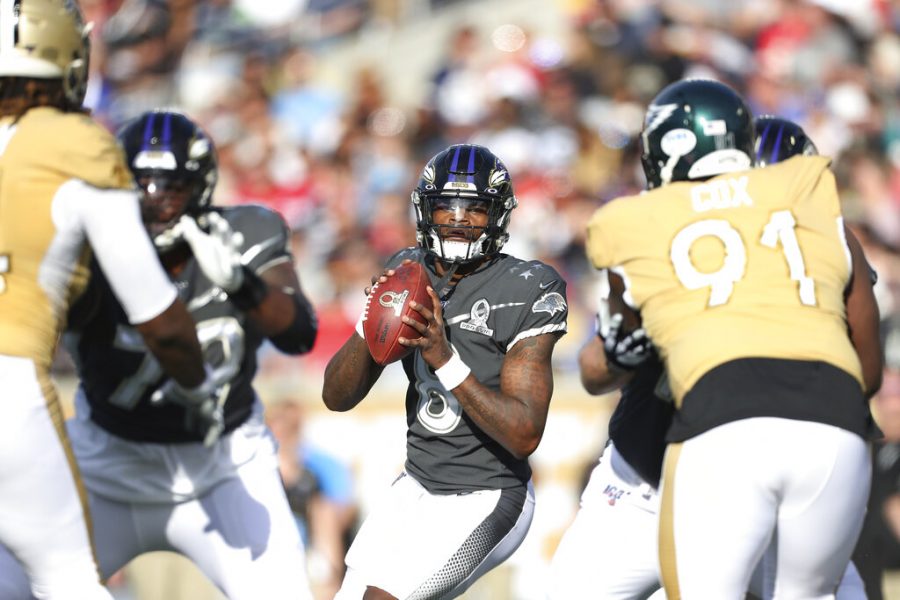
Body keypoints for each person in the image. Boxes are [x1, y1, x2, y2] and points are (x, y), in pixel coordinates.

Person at [549, 115, 873, 600]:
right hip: (649, 476)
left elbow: (861, 373)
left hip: (761, 461)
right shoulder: (680, 236)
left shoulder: (831, 242)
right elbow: (596, 368)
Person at [0, 109, 319, 599]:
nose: (154, 202)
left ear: (201, 187)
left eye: (170, 187)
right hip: (106, 467)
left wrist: (242, 283)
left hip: (225, 468)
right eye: (140, 185)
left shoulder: (242, 234)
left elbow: (299, 333)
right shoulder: (89, 250)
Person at [0, 3, 214, 599]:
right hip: (8, 380)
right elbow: (158, 318)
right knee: (72, 582)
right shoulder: (74, 143)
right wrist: (198, 388)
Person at [322, 143, 568, 599]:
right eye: (446, 207)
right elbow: (337, 397)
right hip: (415, 484)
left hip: (487, 495)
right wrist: (371, 321)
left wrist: (443, 356)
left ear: (499, 214)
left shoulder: (529, 286)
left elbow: (524, 433)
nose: (458, 219)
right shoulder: (406, 268)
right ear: (424, 211)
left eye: (475, 208)